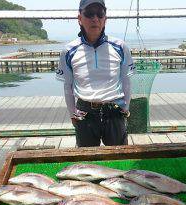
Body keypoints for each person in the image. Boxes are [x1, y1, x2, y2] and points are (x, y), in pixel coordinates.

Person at [56, 0, 134, 147]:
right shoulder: (68, 51)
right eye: (89, 13)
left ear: (105, 19)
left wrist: (126, 107)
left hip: (114, 110)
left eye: (100, 14)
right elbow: (68, 86)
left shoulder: (120, 47)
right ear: (79, 18)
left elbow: (127, 81)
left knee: (121, 158)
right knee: (86, 161)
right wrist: (72, 112)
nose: (95, 18)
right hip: (84, 112)